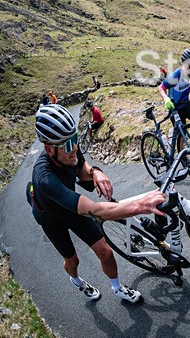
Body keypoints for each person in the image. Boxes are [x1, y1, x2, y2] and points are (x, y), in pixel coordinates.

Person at [27, 104, 166, 304]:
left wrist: (95, 172)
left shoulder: (68, 151)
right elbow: (95, 210)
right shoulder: (44, 179)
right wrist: (141, 204)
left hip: (71, 208)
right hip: (51, 219)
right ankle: (76, 280)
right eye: (67, 145)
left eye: (74, 140)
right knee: (73, 261)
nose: (74, 147)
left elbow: (82, 166)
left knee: (106, 252)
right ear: (49, 149)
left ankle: (117, 288)